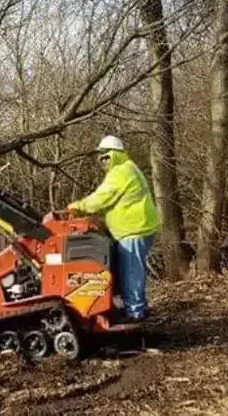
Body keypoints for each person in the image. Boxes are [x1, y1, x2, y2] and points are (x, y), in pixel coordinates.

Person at [67, 135, 158, 323]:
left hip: (133, 229)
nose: (102, 161)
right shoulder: (128, 168)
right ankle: (135, 306)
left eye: (105, 156)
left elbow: (102, 198)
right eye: (101, 157)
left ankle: (135, 313)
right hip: (134, 228)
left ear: (114, 155)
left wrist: (78, 206)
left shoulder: (120, 172)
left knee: (131, 272)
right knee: (130, 270)